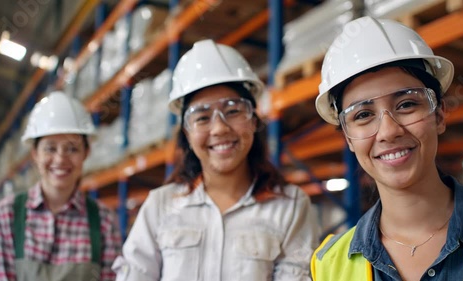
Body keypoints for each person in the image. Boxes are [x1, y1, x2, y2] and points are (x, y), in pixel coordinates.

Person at [112, 39, 320, 280]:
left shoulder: (291, 206)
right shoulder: (159, 207)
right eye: (202, 117)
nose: (219, 128)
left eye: (233, 111)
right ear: (187, 133)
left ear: (254, 120)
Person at [310, 16, 463, 281]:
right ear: (348, 138)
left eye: (406, 105)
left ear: (440, 115)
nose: (389, 131)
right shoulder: (329, 264)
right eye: (363, 114)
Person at [0, 92, 122, 281]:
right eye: (50, 148)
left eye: (72, 148)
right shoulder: (8, 214)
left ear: (86, 153)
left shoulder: (104, 221)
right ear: (35, 153)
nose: (61, 159)